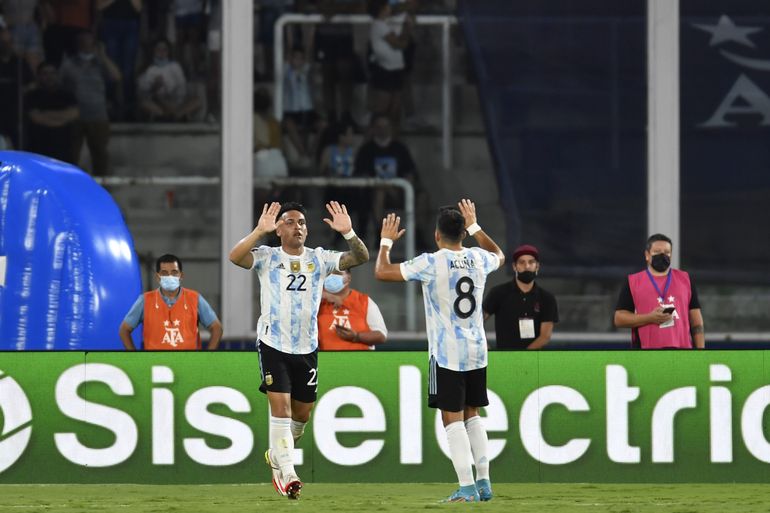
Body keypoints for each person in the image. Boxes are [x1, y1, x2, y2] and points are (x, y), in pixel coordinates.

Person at [228, 200, 369, 500]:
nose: (298, 227)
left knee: (301, 416)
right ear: (278, 229)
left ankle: (277, 453)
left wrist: (349, 233)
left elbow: (361, 256)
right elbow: (235, 257)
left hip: (307, 346)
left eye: (302, 222)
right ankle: (288, 474)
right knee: (281, 409)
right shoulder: (267, 256)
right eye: (290, 222)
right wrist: (257, 231)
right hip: (273, 343)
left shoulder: (320, 258)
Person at [374, 199, 505, 502]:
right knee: (473, 414)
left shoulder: (430, 263)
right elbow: (499, 255)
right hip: (477, 350)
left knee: (452, 419)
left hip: (447, 353)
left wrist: (386, 241)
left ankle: (467, 487)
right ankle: (484, 483)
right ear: (462, 232)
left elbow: (381, 271)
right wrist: (476, 227)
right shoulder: (477, 258)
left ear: (437, 235)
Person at [614, 233, 705, 349]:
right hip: (647, 353)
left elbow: (696, 322)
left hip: (683, 352)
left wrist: (701, 353)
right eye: (657, 252)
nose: (662, 255)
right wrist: (649, 318)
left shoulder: (685, 279)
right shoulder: (633, 281)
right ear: (647, 255)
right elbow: (619, 319)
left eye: (667, 252)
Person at [119, 254, 223, 351]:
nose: (170, 276)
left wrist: (208, 357)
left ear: (181, 276)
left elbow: (217, 328)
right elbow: (124, 330)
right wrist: (134, 357)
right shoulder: (145, 300)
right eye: (164, 273)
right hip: (156, 366)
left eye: (174, 272)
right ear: (158, 277)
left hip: (189, 365)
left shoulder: (195, 298)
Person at [59, 29, 120, 176]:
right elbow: (60, 84)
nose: (86, 42)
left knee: (100, 154)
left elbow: (116, 77)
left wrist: (103, 56)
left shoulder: (100, 63)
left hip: (98, 114)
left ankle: (101, 188)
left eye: (89, 39)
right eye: (82, 39)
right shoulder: (69, 63)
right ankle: (71, 185)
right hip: (76, 115)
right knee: (72, 153)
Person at [483, 244, 559, 350]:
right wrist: (486, 349)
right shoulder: (498, 293)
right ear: (515, 266)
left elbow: (545, 337)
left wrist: (522, 358)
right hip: (504, 359)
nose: (527, 266)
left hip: (535, 361)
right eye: (522, 262)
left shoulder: (547, 298)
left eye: (531, 262)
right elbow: (477, 322)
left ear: (537, 266)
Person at [368, 0, 413, 128]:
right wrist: (407, 28)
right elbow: (400, 44)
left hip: (396, 70)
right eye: (388, 6)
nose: (390, 8)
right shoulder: (379, 26)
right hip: (385, 71)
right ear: (382, 9)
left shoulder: (385, 25)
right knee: (381, 111)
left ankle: (392, 142)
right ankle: (369, 143)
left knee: (395, 111)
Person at [24, 61, 79, 163]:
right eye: (45, 73)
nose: (49, 76)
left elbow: (73, 114)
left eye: (52, 73)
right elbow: (36, 118)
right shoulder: (31, 96)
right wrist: (61, 117)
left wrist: (46, 114)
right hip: (39, 149)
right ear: (38, 76)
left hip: (64, 148)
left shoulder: (66, 94)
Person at [318, 269, 387, 350]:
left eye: (337, 273)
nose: (331, 277)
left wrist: (356, 336)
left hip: (359, 360)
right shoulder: (316, 302)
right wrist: (324, 295)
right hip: (325, 360)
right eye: (328, 274)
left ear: (348, 278)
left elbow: (381, 335)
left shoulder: (364, 301)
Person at [136, 38, 201, 121]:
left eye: (164, 49)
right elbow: (143, 91)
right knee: (145, 103)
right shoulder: (148, 69)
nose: (162, 52)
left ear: (168, 51)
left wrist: (175, 93)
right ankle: (169, 115)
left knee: (197, 100)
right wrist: (154, 87)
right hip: (159, 102)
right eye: (158, 49)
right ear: (153, 50)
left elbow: (182, 86)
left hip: (176, 101)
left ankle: (175, 115)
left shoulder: (175, 66)